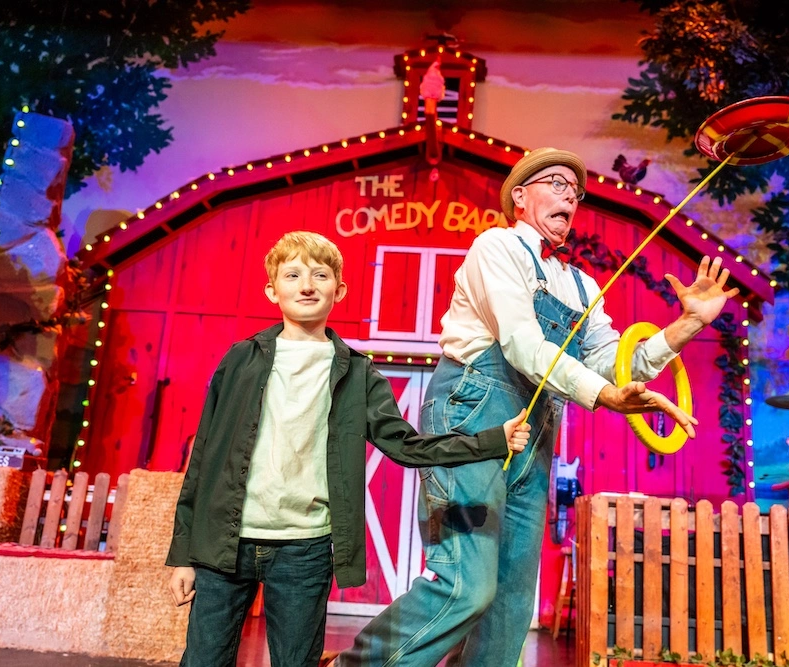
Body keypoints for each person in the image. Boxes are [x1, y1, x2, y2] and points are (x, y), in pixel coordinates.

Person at [335, 147, 738, 667]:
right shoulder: (497, 247)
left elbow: (616, 365)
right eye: (557, 184)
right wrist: (605, 397)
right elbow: (522, 344)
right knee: (465, 585)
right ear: (521, 197)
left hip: (535, 431)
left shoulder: (582, 285)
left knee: (510, 606)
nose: (570, 197)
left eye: (576, 191)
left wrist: (687, 325)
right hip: (470, 415)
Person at [165, 231, 531, 667]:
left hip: (304, 550)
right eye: (293, 275)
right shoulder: (240, 360)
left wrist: (492, 440)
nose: (306, 285)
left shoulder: (358, 374)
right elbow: (204, 459)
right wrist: (184, 555)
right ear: (272, 290)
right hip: (224, 545)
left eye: (320, 276)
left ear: (339, 291)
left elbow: (408, 446)